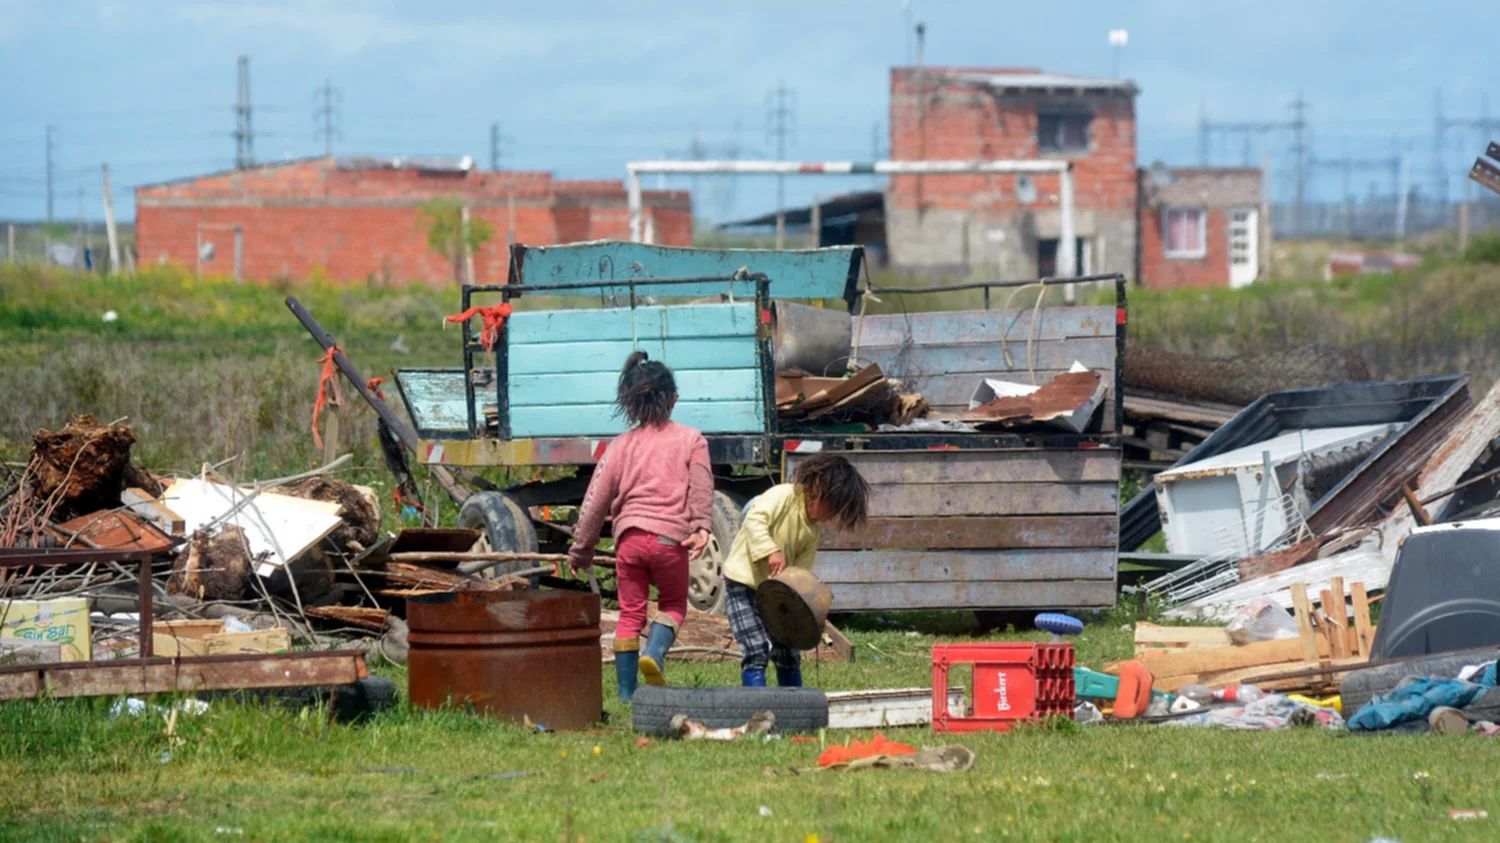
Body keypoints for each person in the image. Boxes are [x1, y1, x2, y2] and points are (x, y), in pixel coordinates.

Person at [568, 351, 713, 702]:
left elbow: (595, 500)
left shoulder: (620, 445)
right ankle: (655, 652)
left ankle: (625, 694)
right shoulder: (692, 439)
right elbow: (702, 485)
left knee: (630, 614)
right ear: (673, 399)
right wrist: (701, 526)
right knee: (675, 604)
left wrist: (581, 550)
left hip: (629, 540)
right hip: (669, 540)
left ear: (631, 404)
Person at [720, 454, 870, 687]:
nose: (832, 515)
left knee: (788, 651)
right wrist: (771, 551)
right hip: (743, 584)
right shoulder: (784, 495)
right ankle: (758, 712)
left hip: (774, 594)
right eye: (833, 506)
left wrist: (806, 602)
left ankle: (792, 708)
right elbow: (754, 521)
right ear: (820, 490)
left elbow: (799, 574)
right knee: (756, 649)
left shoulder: (811, 533)